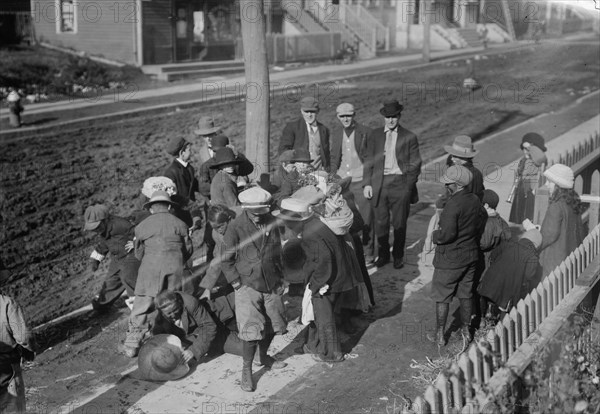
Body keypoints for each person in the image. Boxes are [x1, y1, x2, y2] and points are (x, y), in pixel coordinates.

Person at [219, 187, 288, 392]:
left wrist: (282, 277)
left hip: (271, 282)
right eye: (254, 214)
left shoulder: (270, 221)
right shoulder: (235, 228)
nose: (258, 218)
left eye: (262, 213)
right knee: (250, 330)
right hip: (247, 285)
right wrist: (236, 283)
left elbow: (277, 250)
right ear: (246, 209)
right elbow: (226, 259)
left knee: (275, 323)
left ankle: (263, 356)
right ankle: (247, 370)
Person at [274, 198, 349, 363]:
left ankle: (332, 353)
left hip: (326, 280)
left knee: (324, 317)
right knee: (314, 313)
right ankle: (313, 345)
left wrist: (316, 284)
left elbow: (325, 260)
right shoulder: (314, 223)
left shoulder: (309, 235)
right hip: (330, 275)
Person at [122, 190, 193, 358]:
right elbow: (188, 250)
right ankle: (176, 337)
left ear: (151, 209)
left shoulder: (142, 226)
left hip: (150, 270)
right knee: (171, 303)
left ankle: (132, 345)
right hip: (174, 269)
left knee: (142, 306)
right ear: (169, 206)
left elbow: (138, 254)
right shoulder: (181, 224)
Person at [427, 165, 486, 346]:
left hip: (450, 259)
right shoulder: (475, 200)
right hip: (470, 256)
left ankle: (439, 335)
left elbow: (447, 235)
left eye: (449, 184)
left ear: (458, 185)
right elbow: (480, 221)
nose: (446, 186)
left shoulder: (452, 205)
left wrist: (435, 235)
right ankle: (466, 332)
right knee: (465, 294)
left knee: (442, 296)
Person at [363, 99, 422, 269]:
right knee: (380, 222)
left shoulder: (409, 136)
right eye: (388, 117)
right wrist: (367, 184)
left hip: (399, 184)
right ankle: (383, 255)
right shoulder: (374, 135)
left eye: (394, 117)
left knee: (399, 223)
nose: (391, 120)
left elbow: (415, 164)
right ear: (383, 117)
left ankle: (398, 255)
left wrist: (407, 187)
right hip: (379, 184)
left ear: (399, 116)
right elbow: (368, 160)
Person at [330, 102, 375, 263]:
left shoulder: (365, 132)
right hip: (342, 182)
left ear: (354, 115)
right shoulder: (336, 133)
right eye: (342, 116)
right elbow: (334, 158)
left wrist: (368, 183)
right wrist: (332, 178)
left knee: (366, 217)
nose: (346, 119)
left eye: (348, 115)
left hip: (360, 181)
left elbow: (370, 159)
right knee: (344, 217)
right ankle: (350, 252)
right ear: (338, 117)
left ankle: (368, 251)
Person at [152, 290, 243, 363]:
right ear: (162, 312)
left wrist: (194, 350)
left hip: (215, 322)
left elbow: (209, 326)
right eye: (169, 313)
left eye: (175, 310)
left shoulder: (190, 303)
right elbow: (158, 337)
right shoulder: (160, 316)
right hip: (200, 333)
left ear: (179, 303)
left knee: (245, 349)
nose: (173, 315)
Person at [83, 204, 140, 312]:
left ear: (105, 220)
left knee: (128, 278)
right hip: (117, 258)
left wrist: (135, 242)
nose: (96, 231)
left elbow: (138, 232)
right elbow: (103, 245)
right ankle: (101, 306)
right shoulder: (103, 231)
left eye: (97, 227)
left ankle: (140, 306)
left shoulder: (121, 224)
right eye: (94, 229)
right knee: (110, 282)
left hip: (131, 256)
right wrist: (96, 259)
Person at [478, 228, 543, 323]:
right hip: (509, 288)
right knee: (505, 304)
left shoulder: (508, 244)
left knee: (489, 296)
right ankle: (501, 326)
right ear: (536, 244)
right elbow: (529, 275)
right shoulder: (532, 256)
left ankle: (483, 319)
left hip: (491, 280)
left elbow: (493, 255)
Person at [538, 164, 584, 277]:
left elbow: (548, 236)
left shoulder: (556, 206)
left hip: (554, 260)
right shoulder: (573, 202)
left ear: (558, 185)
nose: (546, 185)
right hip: (570, 257)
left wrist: (533, 235)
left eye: (549, 181)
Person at [476, 189, 511, 327]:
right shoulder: (502, 221)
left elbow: (484, 244)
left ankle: (482, 318)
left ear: (485, 206)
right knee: (493, 289)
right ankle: (492, 314)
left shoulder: (488, 223)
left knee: (481, 289)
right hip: (499, 262)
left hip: (486, 261)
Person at [0, 290, 36, 413]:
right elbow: (23, 337)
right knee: (14, 408)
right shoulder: (6, 303)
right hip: (7, 367)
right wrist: (30, 349)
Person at [278, 96, 332, 173]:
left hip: (319, 172)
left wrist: (327, 169)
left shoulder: (324, 129)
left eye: (312, 112)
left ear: (318, 111)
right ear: (301, 111)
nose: (309, 115)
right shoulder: (292, 127)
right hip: (299, 173)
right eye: (306, 111)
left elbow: (326, 154)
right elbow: (283, 150)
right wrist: (291, 166)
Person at [163, 136, 203, 230]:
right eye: (189, 150)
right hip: (178, 215)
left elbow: (197, 186)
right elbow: (170, 197)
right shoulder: (171, 172)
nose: (191, 152)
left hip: (189, 213)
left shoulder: (189, 168)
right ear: (182, 152)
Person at [508, 133, 548, 224]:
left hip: (531, 187)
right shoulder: (523, 160)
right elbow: (520, 173)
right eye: (524, 148)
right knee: (520, 207)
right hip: (522, 186)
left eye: (528, 149)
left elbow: (540, 175)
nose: (525, 151)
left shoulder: (538, 161)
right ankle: (519, 221)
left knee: (529, 209)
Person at [443, 135, 484, 201]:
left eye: (455, 156)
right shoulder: (477, 173)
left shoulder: (459, 175)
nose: (452, 158)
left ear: (463, 157)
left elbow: (455, 200)